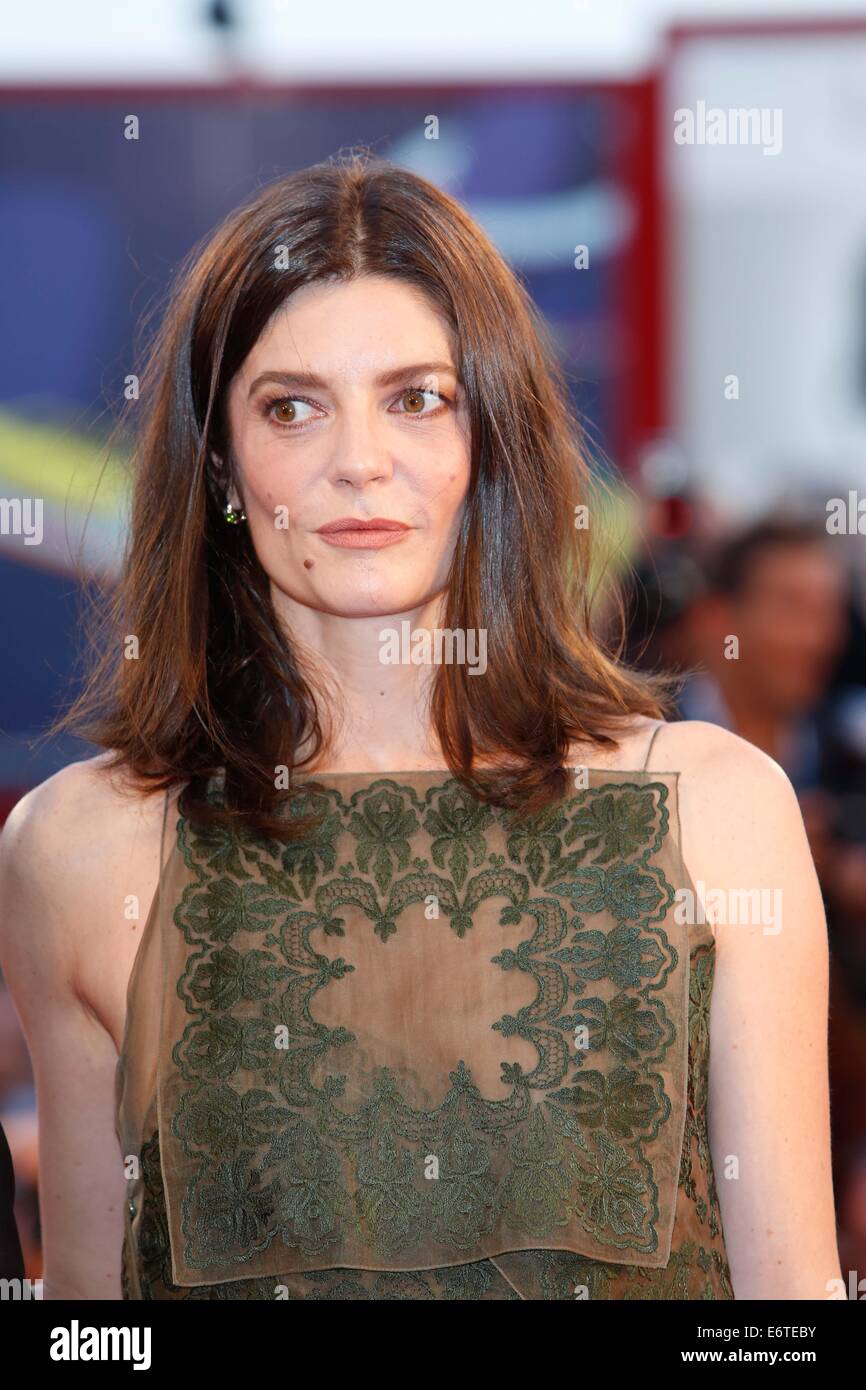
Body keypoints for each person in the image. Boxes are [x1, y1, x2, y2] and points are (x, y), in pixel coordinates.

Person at [0, 156, 842, 1300]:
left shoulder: (715, 808)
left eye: (415, 398)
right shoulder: (77, 847)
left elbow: (784, 1311)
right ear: (221, 464)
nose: (358, 461)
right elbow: (94, 1321)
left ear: (486, 438)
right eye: (290, 406)